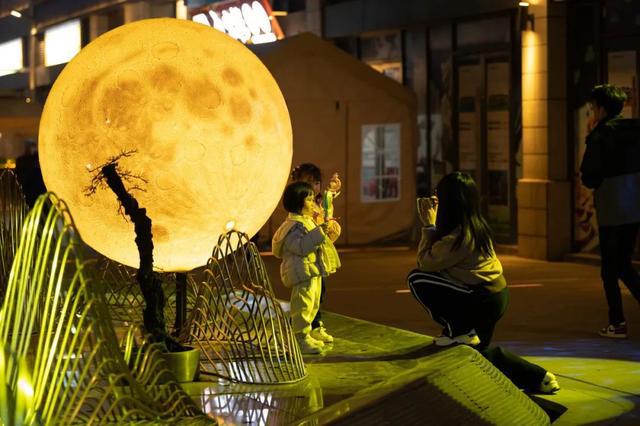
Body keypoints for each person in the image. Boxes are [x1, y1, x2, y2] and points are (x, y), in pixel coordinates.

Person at [407, 172, 559, 394]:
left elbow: (425, 263)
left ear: (451, 203)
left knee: (417, 279)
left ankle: (459, 329)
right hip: (493, 294)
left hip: (481, 299)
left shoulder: (461, 235)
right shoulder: (475, 226)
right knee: (477, 350)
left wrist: (428, 226)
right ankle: (539, 377)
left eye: (439, 197)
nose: (434, 201)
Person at [580, 84, 640, 339]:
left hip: (612, 209)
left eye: (593, 107)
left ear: (601, 108)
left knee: (609, 270)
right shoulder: (635, 130)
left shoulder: (600, 136)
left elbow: (589, 177)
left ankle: (617, 322)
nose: (592, 112)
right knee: (625, 264)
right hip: (634, 206)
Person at [272, 181, 340, 354]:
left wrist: (326, 230)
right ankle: (299, 337)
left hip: (312, 270)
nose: (312, 203)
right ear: (298, 202)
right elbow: (301, 247)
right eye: (309, 200)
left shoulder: (306, 221)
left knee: (313, 303)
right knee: (302, 305)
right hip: (302, 272)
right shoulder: (293, 226)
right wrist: (318, 233)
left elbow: (319, 242)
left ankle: (308, 333)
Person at [290, 163, 341, 344]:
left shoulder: (318, 206)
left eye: (316, 182)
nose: (314, 186)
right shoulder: (297, 214)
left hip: (318, 261)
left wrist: (331, 193)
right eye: (308, 181)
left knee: (318, 294)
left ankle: (315, 326)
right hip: (304, 265)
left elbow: (327, 231)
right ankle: (300, 334)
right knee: (303, 299)